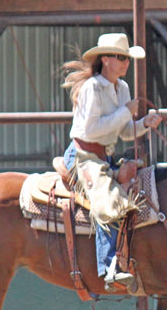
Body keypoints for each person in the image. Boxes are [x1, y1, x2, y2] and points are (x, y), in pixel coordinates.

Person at [60, 33, 161, 290]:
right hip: (82, 157)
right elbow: (92, 130)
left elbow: (124, 131)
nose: (125, 63)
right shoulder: (93, 87)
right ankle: (110, 268)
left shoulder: (122, 88)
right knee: (108, 201)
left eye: (127, 58)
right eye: (120, 57)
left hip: (103, 157)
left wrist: (143, 124)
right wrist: (127, 111)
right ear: (105, 59)